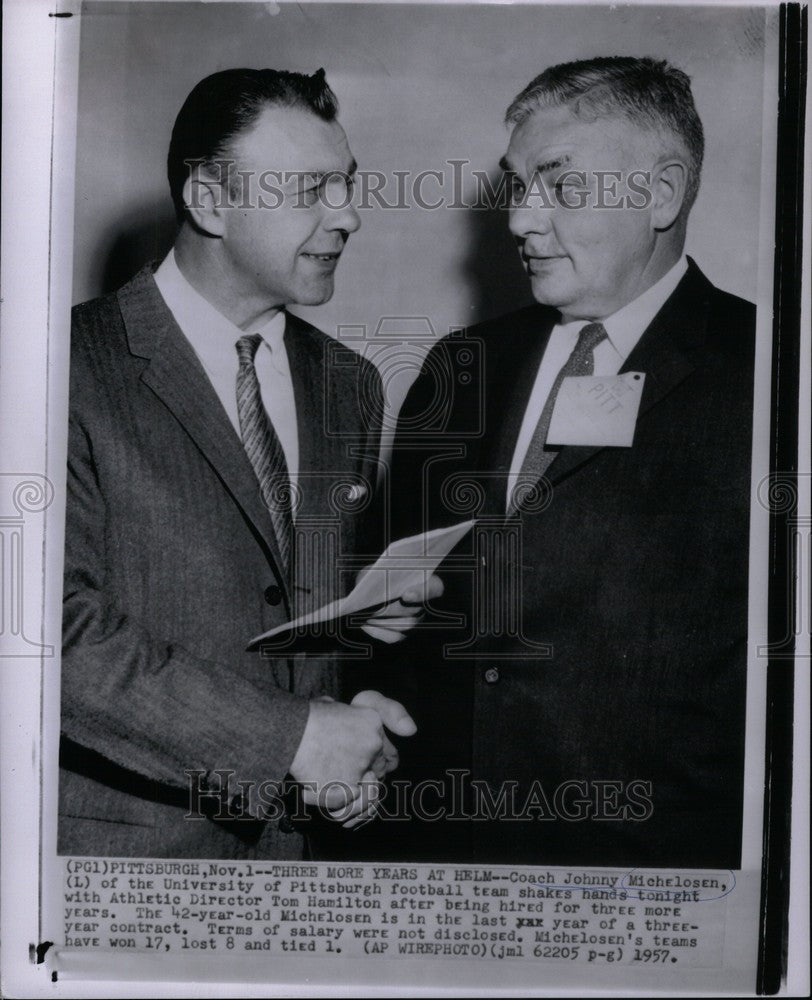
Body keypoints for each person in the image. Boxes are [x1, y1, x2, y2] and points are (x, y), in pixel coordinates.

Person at [385, 56, 755, 867]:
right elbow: (390, 610)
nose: (521, 220)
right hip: (435, 857)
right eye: (519, 185)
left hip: (652, 878)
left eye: (558, 183)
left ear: (660, 192)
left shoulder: (771, 376)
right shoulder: (460, 368)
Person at [60, 67, 432, 860]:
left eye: (349, 186)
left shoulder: (349, 384)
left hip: (293, 866)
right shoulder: (59, 365)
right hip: (124, 870)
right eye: (313, 189)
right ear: (208, 201)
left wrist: (363, 633)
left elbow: (284, 607)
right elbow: (51, 637)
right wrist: (292, 740)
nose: (351, 217)